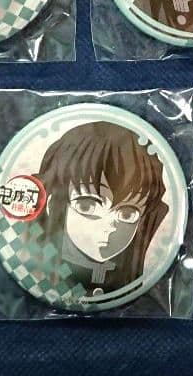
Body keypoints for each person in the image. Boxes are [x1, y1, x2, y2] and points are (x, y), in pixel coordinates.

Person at [35, 121, 168, 293]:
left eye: (127, 214)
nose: (109, 227)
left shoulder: (140, 263)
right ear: (53, 202)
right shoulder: (35, 259)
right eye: (87, 206)